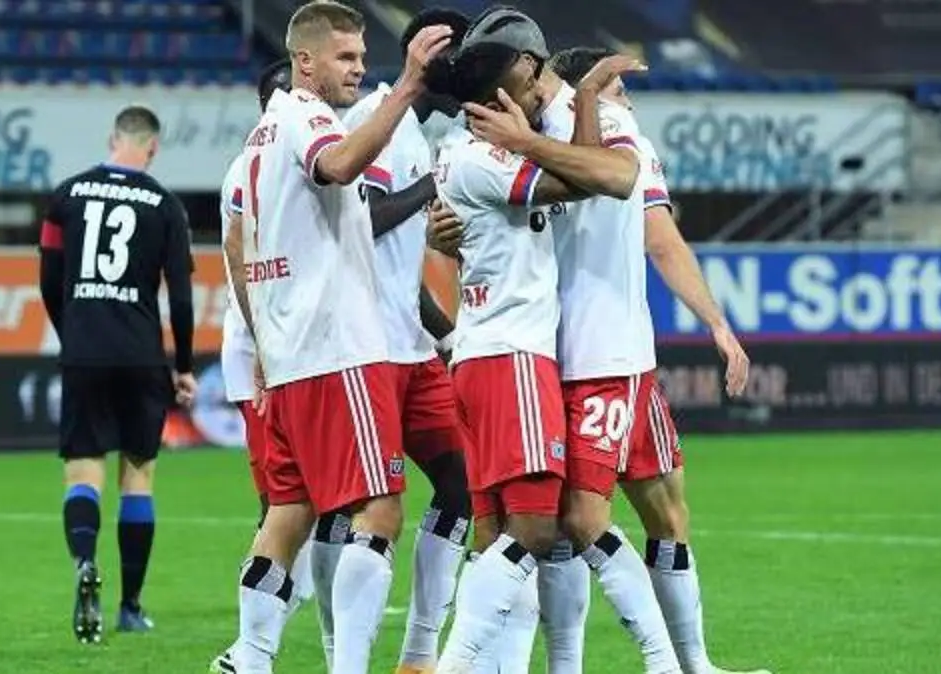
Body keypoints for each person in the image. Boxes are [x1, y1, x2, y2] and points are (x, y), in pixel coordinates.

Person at [228, 2, 451, 672]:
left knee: (288, 514)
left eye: (361, 57)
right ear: (305, 61)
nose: (357, 69)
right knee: (379, 509)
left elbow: (237, 246)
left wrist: (262, 343)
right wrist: (408, 85)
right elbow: (343, 163)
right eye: (345, 57)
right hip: (337, 351)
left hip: (290, 356)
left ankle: (251, 658)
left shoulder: (257, 141)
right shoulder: (308, 117)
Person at [544, 46, 764, 674]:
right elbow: (662, 241)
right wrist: (718, 324)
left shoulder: (539, 142)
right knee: (588, 520)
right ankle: (681, 664)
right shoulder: (606, 138)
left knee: (637, 515)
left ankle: (689, 666)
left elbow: (660, 240)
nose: (628, 101)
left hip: (595, 357)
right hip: (596, 360)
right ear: (585, 92)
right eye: (617, 88)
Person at [424, 39, 637, 673]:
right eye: (527, 77)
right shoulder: (487, 160)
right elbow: (596, 180)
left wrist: (572, 107)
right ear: (498, 98)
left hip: (483, 353)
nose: (538, 84)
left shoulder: (463, 154)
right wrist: (546, 129)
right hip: (513, 355)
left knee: (495, 536)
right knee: (537, 531)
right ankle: (451, 665)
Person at [340, 8, 472, 673]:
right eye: (463, 62)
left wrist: (448, 335)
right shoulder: (374, 122)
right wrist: (432, 186)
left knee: (460, 484)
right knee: (375, 509)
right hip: (366, 354)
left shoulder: (423, 135)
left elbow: (396, 270)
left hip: (413, 353)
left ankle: (418, 656)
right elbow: (360, 220)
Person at [37, 104, 197, 644]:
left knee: (83, 472)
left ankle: (85, 562)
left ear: (113, 139)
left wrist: (72, 332)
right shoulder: (165, 205)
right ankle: (130, 606)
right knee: (138, 477)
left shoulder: (66, 196)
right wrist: (184, 366)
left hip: (84, 351)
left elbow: (48, 278)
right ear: (153, 148)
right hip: (140, 355)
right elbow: (180, 297)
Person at [210, 58, 317, 674]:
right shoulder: (250, 168)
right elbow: (236, 250)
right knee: (284, 500)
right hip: (267, 356)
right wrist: (263, 344)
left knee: (306, 501)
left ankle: (258, 640)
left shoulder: (286, 162)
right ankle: (249, 647)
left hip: (295, 350)